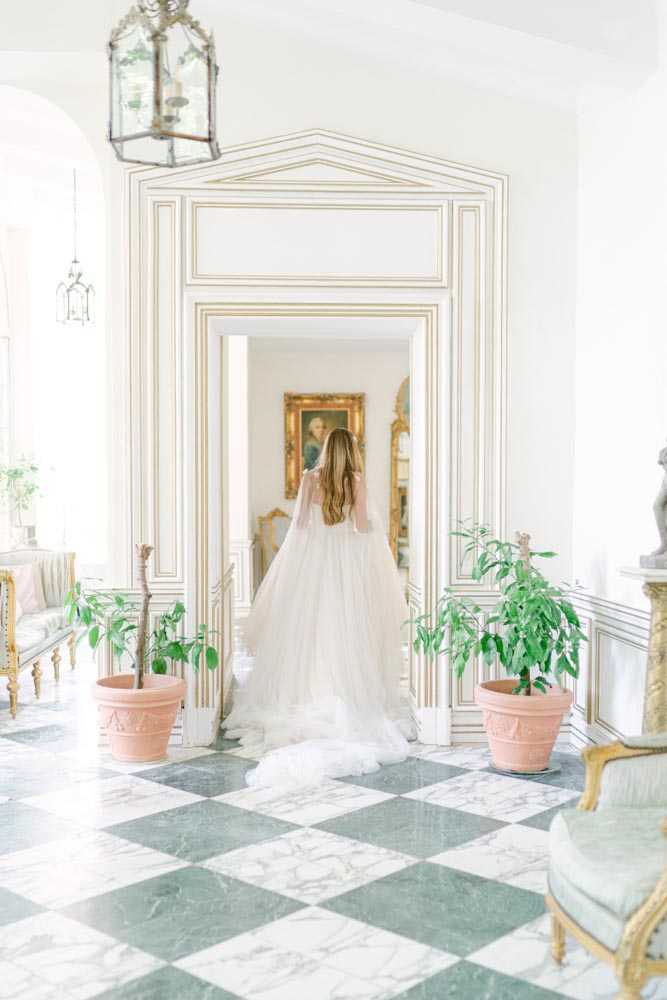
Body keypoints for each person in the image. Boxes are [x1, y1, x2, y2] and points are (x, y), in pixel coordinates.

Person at [223, 427, 412, 787]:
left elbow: (300, 528)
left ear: (326, 448)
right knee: (344, 632)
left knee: (307, 633)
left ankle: (306, 691)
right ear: (351, 451)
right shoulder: (355, 481)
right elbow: (359, 528)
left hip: (314, 566)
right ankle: (340, 690)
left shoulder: (311, 479)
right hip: (345, 569)